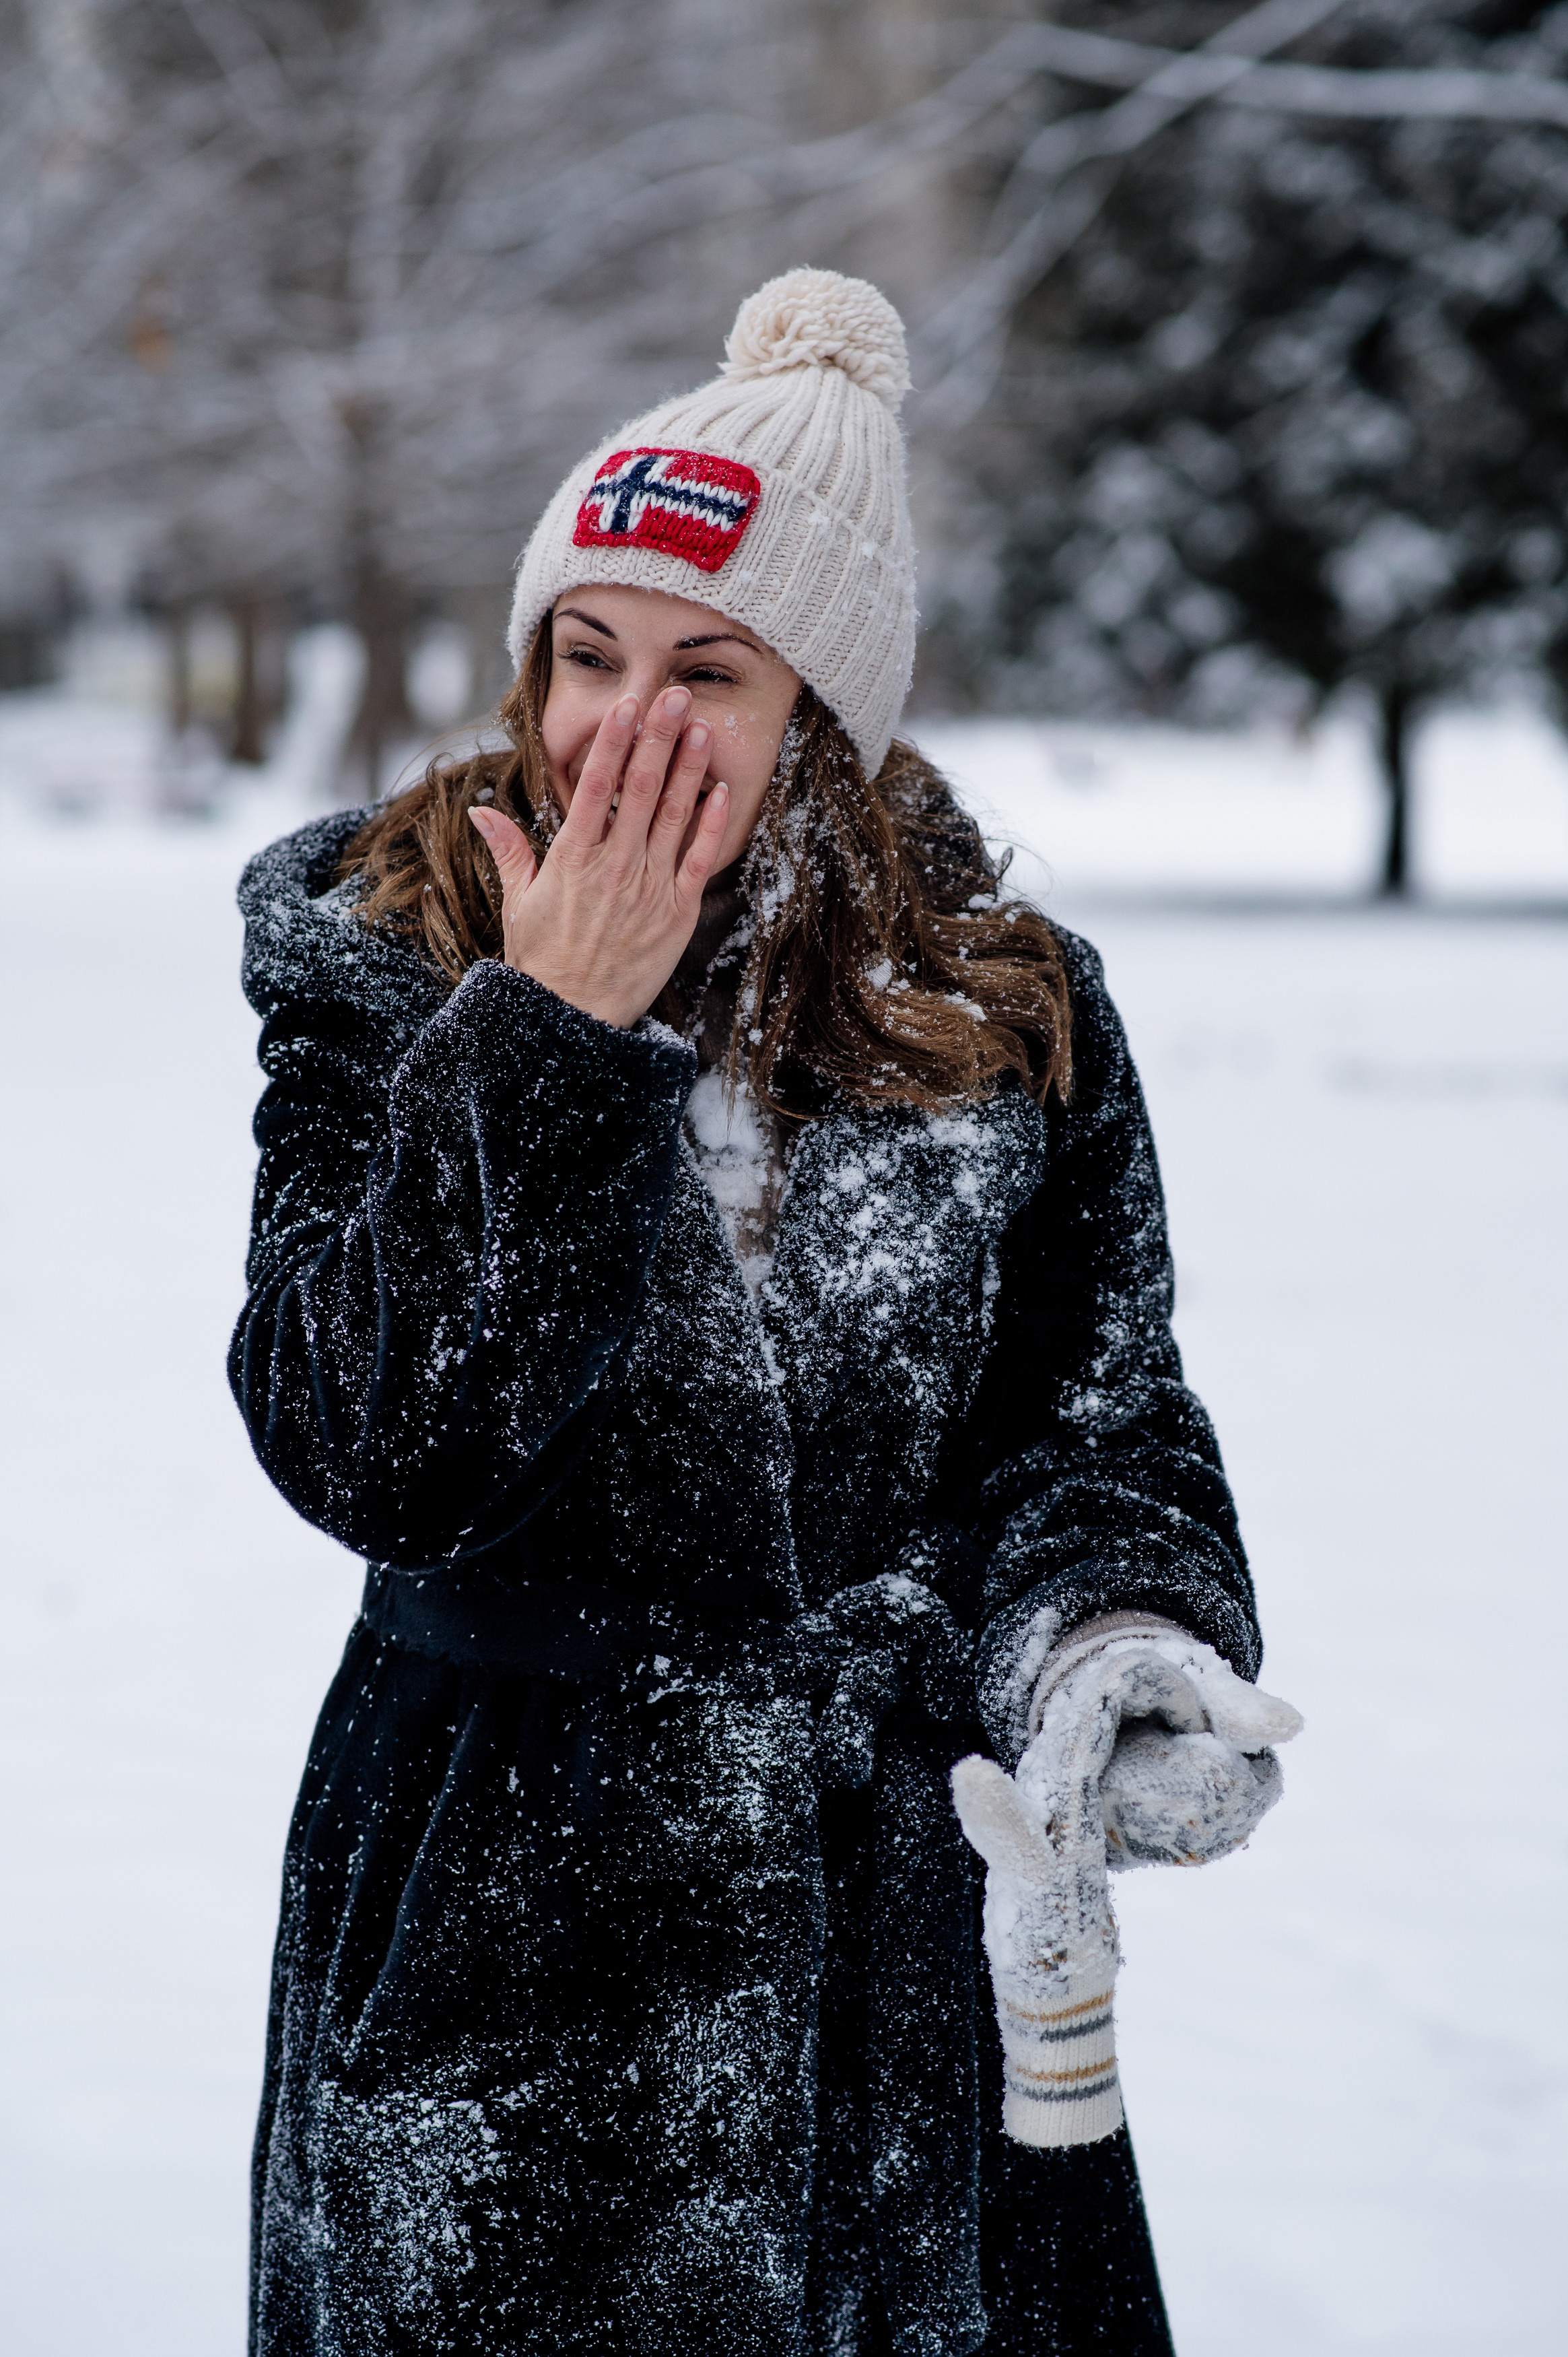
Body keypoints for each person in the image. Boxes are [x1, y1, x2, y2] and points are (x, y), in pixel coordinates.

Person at [232, 269, 1294, 2357]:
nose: (621, 724)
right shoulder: (384, 959)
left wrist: (1109, 1643)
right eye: (583, 651)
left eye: (705, 669)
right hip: (503, 1929)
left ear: (825, 708)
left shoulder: (1005, 1008)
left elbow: (1091, 1420)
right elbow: (365, 1442)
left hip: (900, 1963)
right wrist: (546, 1034)